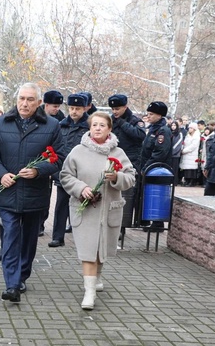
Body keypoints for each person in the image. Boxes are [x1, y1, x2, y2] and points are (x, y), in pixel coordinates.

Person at [0, 82, 65, 303]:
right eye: (22, 98)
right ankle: (12, 284)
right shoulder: (2, 123)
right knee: (11, 234)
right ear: (16, 99)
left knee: (29, 238)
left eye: (30, 99)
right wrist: (1, 174)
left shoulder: (51, 125)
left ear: (39, 103)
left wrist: (38, 170)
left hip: (35, 193)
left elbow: (58, 157)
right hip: (8, 192)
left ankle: (22, 275)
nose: (25, 103)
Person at [60, 111, 135, 310]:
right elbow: (65, 176)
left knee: (101, 249)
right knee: (88, 251)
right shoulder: (77, 151)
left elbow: (131, 178)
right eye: (94, 125)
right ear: (89, 128)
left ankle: (97, 278)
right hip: (84, 210)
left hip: (108, 210)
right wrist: (81, 188)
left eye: (102, 125)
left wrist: (116, 177)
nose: (98, 128)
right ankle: (89, 292)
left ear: (109, 129)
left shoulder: (118, 153)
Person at [48, 93, 90, 248]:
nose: (74, 111)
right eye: (71, 108)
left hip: (83, 172)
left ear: (84, 109)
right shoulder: (61, 125)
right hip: (64, 172)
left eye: (77, 109)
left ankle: (84, 238)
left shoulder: (89, 126)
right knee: (61, 205)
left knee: (83, 206)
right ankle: (58, 237)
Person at [108, 94, 145, 238]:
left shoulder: (135, 121)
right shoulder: (111, 120)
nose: (115, 112)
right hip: (112, 161)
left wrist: (123, 123)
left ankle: (122, 228)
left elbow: (140, 135)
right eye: (113, 109)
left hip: (130, 162)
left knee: (126, 197)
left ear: (125, 107)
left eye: (117, 109)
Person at [139, 101, 172, 230]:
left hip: (157, 169)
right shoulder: (153, 129)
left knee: (156, 195)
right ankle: (150, 221)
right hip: (150, 166)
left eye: (151, 114)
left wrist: (147, 166)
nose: (148, 116)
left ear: (160, 115)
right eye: (148, 114)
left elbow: (160, 152)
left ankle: (157, 223)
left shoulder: (162, 131)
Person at [37, 90, 64, 237]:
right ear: (46, 105)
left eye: (58, 106)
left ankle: (41, 222)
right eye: (54, 106)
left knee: (46, 195)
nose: (57, 109)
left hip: (51, 161)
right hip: (37, 158)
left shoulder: (60, 119)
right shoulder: (37, 116)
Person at [179, 122, 201, 187]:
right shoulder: (188, 135)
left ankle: (192, 181)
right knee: (186, 168)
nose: (189, 129)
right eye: (189, 128)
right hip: (186, 154)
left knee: (191, 168)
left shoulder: (196, 136)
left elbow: (193, 146)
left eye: (191, 128)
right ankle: (187, 180)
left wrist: (184, 151)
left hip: (192, 154)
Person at [169, 121, 184, 186]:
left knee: (174, 169)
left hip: (175, 155)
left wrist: (173, 151)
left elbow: (178, 144)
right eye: (172, 125)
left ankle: (174, 182)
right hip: (169, 154)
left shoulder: (179, 134)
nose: (173, 127)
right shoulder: (169, 133)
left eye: (174, 125)